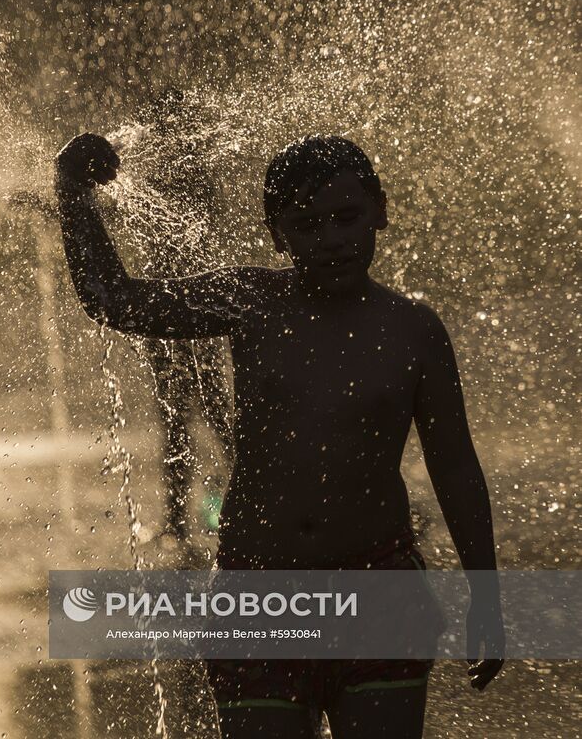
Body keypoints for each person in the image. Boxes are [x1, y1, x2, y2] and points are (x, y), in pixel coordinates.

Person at [55, 131, 505, 738]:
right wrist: (72, 196)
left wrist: (489, 599)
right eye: (307, 225)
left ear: (381, 210)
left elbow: (456, 471)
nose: (332, 240)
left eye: (347, 217)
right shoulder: (254, 302)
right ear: (277, 236)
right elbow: (115, 302)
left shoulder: (413, 332)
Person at [134, 87, 234, 548]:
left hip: (190, 312)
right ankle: (179, 519)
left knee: (198, 416)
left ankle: (190, 517)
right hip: (176, 314)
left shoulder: (182, 175)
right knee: (188, 418)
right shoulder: (180, 172)